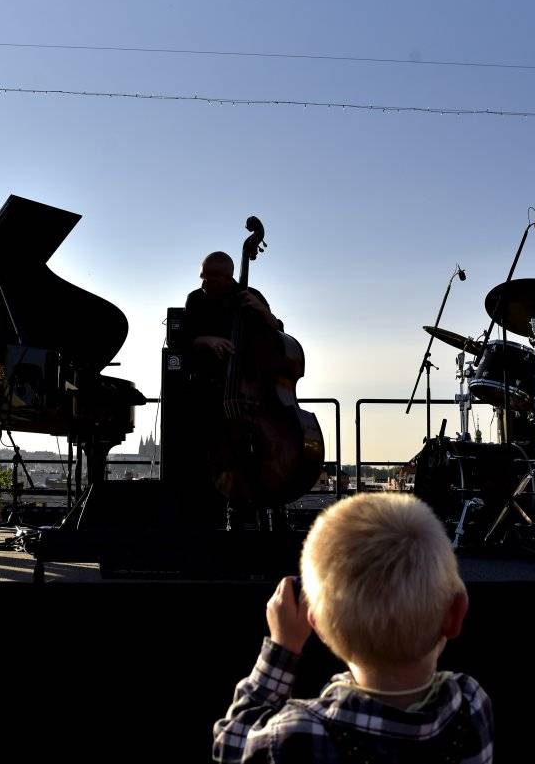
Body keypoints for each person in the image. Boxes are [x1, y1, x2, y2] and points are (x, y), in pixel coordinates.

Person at [212, 493, 493, 762]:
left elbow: (231, 744)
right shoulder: (471, 705)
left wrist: (282, 648)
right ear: (456, 614)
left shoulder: (295, 734)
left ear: (317, 625)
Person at [174, 251, 283, 527]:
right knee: (209, 453)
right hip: (210, 390)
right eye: (202, 277)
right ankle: (210, 516)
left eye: (211, 279)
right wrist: (207, 340)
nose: (205, 283)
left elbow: (278, 332)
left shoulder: (250, 296)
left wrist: (261, 310)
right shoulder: (196, 299)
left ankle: (261, 512)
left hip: (250, 391)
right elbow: (182, 340)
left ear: (227, 277)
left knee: (253, 451)